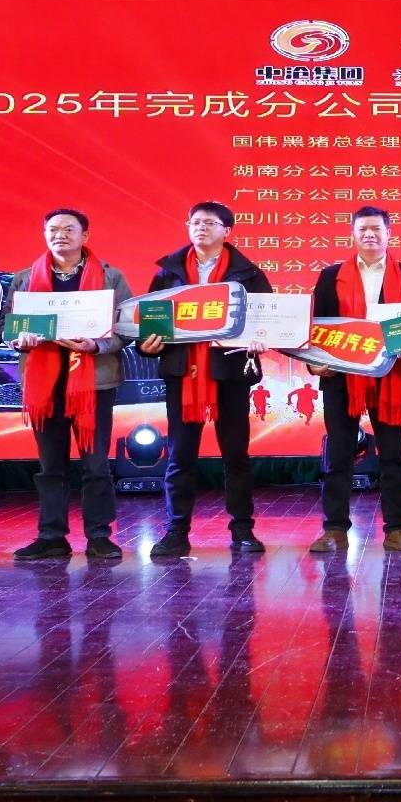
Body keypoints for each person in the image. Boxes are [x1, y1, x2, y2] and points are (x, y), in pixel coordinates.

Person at [137, 201, 273, 558]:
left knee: (236, 454)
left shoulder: (248, 274)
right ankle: (176, 531)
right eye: (195, 222)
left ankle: (242, 529)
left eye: (210, 223)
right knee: (180, 455)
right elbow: (149, 321)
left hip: (229, 372)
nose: (201, 228)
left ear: (227, 231)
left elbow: (267, 319)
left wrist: (261, 337)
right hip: (184, 373)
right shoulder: (168, 273)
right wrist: (148, 345)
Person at [6, 208, 134, 561]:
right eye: (52, 229)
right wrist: (19, 340)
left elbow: (126, 327)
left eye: (68, 229)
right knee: (51, 466)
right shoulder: (24, 279)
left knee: (96, 463)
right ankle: (51, 536)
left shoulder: (110, 277)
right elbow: (8, 327)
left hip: (94, 383)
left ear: (84, 236)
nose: (59, 235)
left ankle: (99, 536)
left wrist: (97, 345)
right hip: (44, 384)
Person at [307, 206, 401, 554]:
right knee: (339, 454)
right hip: (341, 378)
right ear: (353, 234)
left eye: (376, 229)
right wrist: (315, 365)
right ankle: (334, 529)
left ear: (389, 234)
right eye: (363, 229)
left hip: (391, 376)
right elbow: (317, 327)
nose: (370, 234)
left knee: (393, 455)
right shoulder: (331, 276)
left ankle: (396, 529)